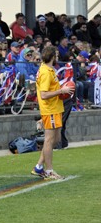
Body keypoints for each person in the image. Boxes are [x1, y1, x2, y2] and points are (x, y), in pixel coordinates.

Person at [31, 46, 74, 180]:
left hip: (55, 108)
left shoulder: (49, 70)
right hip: (50, 109)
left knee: (56, 139)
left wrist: (61, 90)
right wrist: (61, 91)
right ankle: (49, 171)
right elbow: (43, 95)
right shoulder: (45, 72)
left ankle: (39, 166)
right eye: (55, 55)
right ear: (52, 57)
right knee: (49, 140)